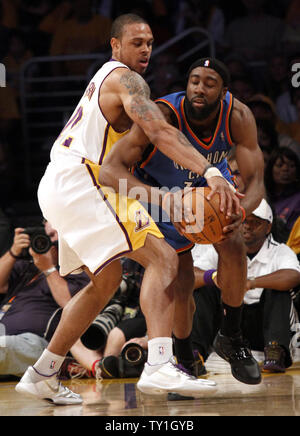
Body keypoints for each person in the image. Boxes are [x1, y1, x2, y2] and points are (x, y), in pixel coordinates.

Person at [16, 14, 238, 405]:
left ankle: (44, 372)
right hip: (82, 178)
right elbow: (159, 131)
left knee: (104, 283)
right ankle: (159, 364)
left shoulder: (106, 81)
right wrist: (209, 172)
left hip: (62, 182)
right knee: (165, 258)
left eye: (150, 42)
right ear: (115, 46)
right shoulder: (126, 79)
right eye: (136, 42)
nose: (146, 49)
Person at [99, 57, 265, 385]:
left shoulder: (238, 116)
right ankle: (184, 356)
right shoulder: (162, 114)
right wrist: (159, 199)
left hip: (203, 191)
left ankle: (231, 334)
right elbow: (109, 171)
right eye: (194, 80)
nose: (199, 88)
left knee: (233, 240)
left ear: (224, 90)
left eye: (209, 82)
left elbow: (256, 180)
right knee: (181, 279)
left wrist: (241, 212)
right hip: (156, 196)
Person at [191, 198, 300, 373]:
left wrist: (249, 283)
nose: (248, 227)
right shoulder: (221, 248)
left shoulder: (280, 250)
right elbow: (191, 276)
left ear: (268, 227)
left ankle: (275, 350)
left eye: (255, 223)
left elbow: (293, 276)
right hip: (228, 323)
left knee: (278, 289)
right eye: (244, 222)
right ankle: (195, 353)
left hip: (262, 324)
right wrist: (214, 276)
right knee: (203, 289)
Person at [0, 221, 91, 379]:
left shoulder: (79, 270)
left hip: (38, 343)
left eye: (54, 235)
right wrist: (13, 252)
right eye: (46, 236)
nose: (49, 241)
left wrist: (48, 269)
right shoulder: (29, 267)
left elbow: (71, 304)